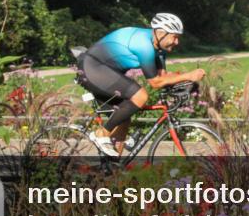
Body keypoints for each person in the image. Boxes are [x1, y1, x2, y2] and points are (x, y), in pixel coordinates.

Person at [77, 13, 205, 156]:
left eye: (178, 38)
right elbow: (155, 82)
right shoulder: (144, 45)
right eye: (174, 37)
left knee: (123, 119)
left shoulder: (159, 50)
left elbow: (162, 77)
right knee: (141, 96)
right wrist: (189, 75)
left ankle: (112, 170)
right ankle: (101, 134)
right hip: (92, 69)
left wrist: (186, 83)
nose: (177, 42)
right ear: (161, 33)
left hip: (104, 71)